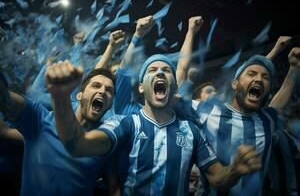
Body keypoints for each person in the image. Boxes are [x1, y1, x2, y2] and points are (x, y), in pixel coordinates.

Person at [49, 54, 262, 195]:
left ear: (174, 86)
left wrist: (234, 170)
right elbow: (79, 144)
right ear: (141, 87)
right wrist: (60, 98)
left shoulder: (191, 131)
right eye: (152, 70)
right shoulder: (125, 124)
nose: (160, 72)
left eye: (166, 70)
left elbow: (217, 177)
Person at [181, 46, 300, 196]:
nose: (259, 79)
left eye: (266, 77)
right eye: (252, 74)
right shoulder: (208, 110)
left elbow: (278, 106)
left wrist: (294, 68)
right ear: (235, 84)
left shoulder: (267, 120)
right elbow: (173, 98)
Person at [0, 63, 119, 196]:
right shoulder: (41, 120)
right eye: (96, 85)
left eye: (109, 90)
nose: (103, 91)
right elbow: (4, 99)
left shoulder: (104, 143)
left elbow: (114, 188)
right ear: (79, 96)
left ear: (109, 106)